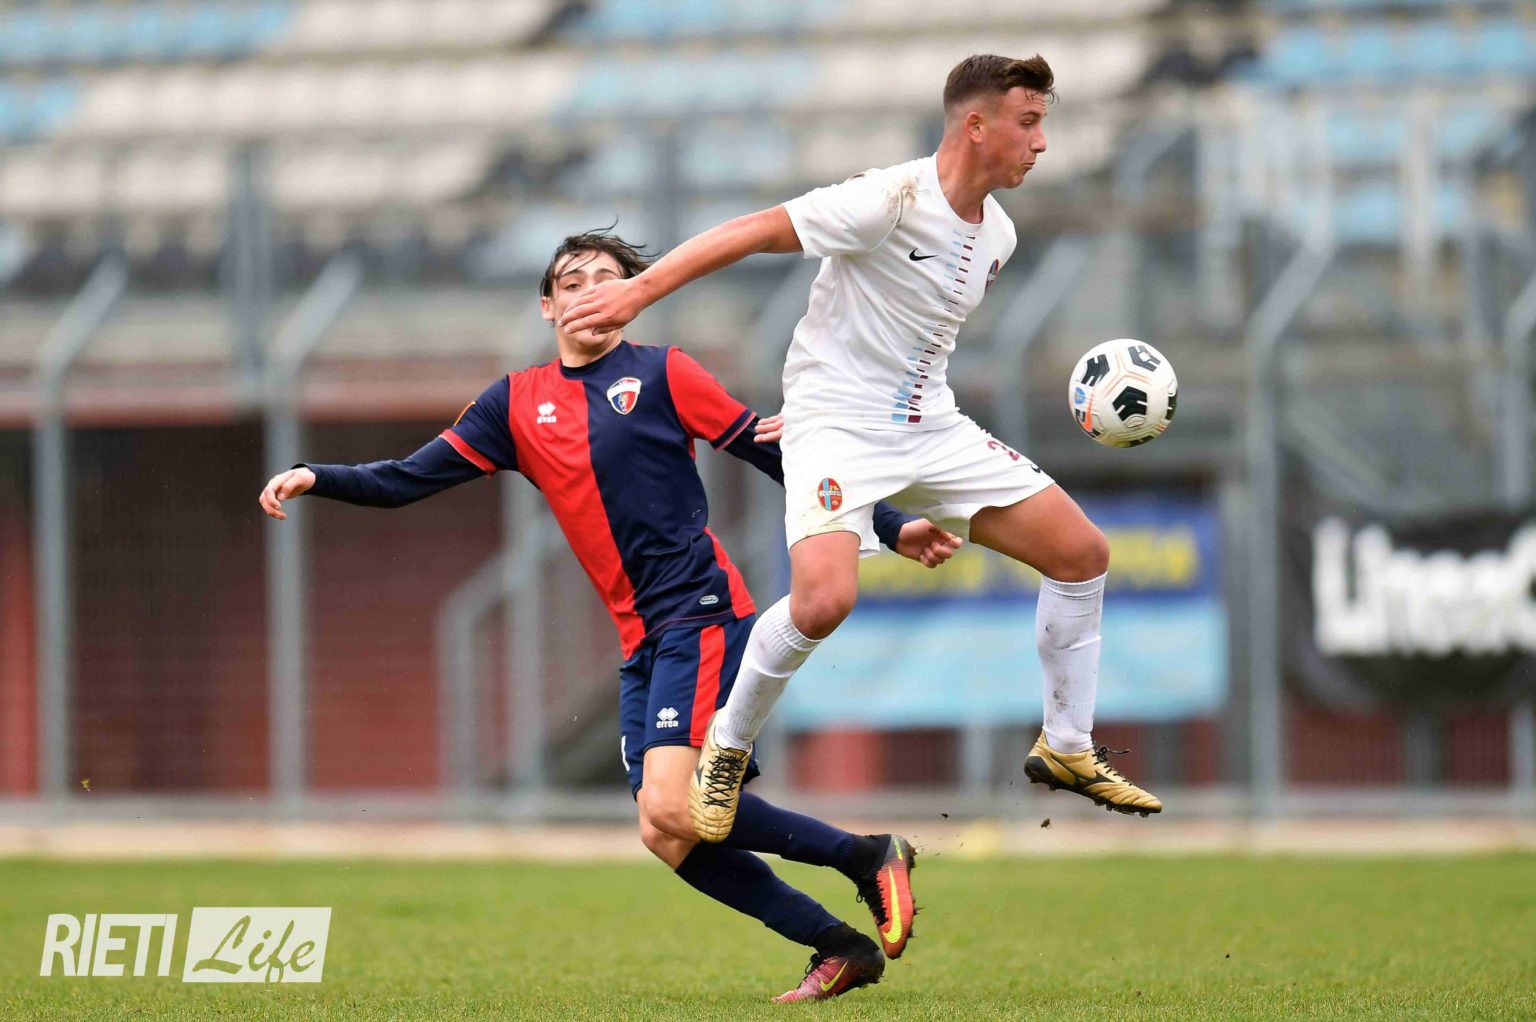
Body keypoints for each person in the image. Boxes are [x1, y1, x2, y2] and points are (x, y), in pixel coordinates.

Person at [258, 230, 960, 1002]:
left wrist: (889, 524)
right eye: (572, 281)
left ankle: (865, 856)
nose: (589, 290)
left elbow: (776, 455)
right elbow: (404, 480)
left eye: (606, 278)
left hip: (701, 611)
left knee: (671, 802)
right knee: (665, 830)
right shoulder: (513, 403)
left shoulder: (666, 373)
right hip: (643, 639)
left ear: (632, 297)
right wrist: (315, 474)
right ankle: (839, 944)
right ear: (547, 306)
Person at [557, 54, 1164, 843]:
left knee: (1082, 554)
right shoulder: (887, 199)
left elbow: (907, 340)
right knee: (824, 601)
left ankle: (1067, 746)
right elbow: (750, 231)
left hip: (930, 426)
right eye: (1028, 122)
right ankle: (727, 750)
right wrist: (638, 292)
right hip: (837, 425)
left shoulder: (999, 235)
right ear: (976, 126)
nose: (1041, 142)